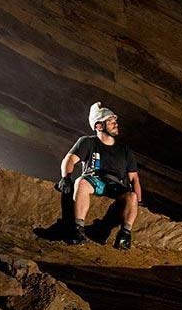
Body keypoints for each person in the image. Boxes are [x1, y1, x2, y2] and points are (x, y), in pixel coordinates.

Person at [57, 102, 142, 249]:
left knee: (132, 197)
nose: (115, 124)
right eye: (111, 122)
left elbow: (134, 178)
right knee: (81, 182)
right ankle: (78, 230)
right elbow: (70, 159)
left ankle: (124, 236)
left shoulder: (125, 150)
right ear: (99, 126)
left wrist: (138, 201)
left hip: (116, 186)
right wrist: (65, 178)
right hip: (94, 180)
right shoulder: (88, 142)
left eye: (115, 121)